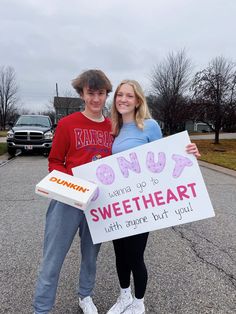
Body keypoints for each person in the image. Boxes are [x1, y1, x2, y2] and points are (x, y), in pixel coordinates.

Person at [107, 80, 200, 314]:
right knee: (120, 254)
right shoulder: (113, 128)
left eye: (129, 95)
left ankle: (139, 303)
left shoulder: (149, 126)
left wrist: (188, 152)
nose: (123, 99)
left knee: (135, 255)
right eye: (120, 95)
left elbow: (164, 159)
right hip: (118, 202)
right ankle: (124, 297)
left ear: (138, 100)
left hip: (141, 204)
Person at [33, 69, 113, 314]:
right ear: (82, 94)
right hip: (67, 200)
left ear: (106, 94)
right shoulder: (68, 124)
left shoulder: (113, 127)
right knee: (53, 259)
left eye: (100, 93)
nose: (96, 99)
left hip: (97, 203)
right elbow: (55, 161)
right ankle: (42, 308)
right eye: (91, 93)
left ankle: (85, 295)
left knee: (91, 256)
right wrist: (75, 186)